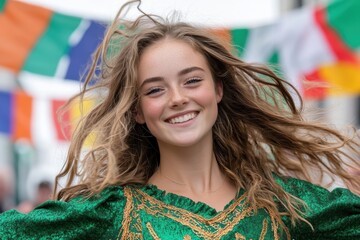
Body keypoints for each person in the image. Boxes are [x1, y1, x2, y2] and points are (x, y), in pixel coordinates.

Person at [1, 1, 360, 239]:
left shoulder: (285, 206)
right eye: (155, 90)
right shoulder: (112, 213)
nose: (177, 98)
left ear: (218, 89)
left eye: (192, 80)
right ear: (137, 111)